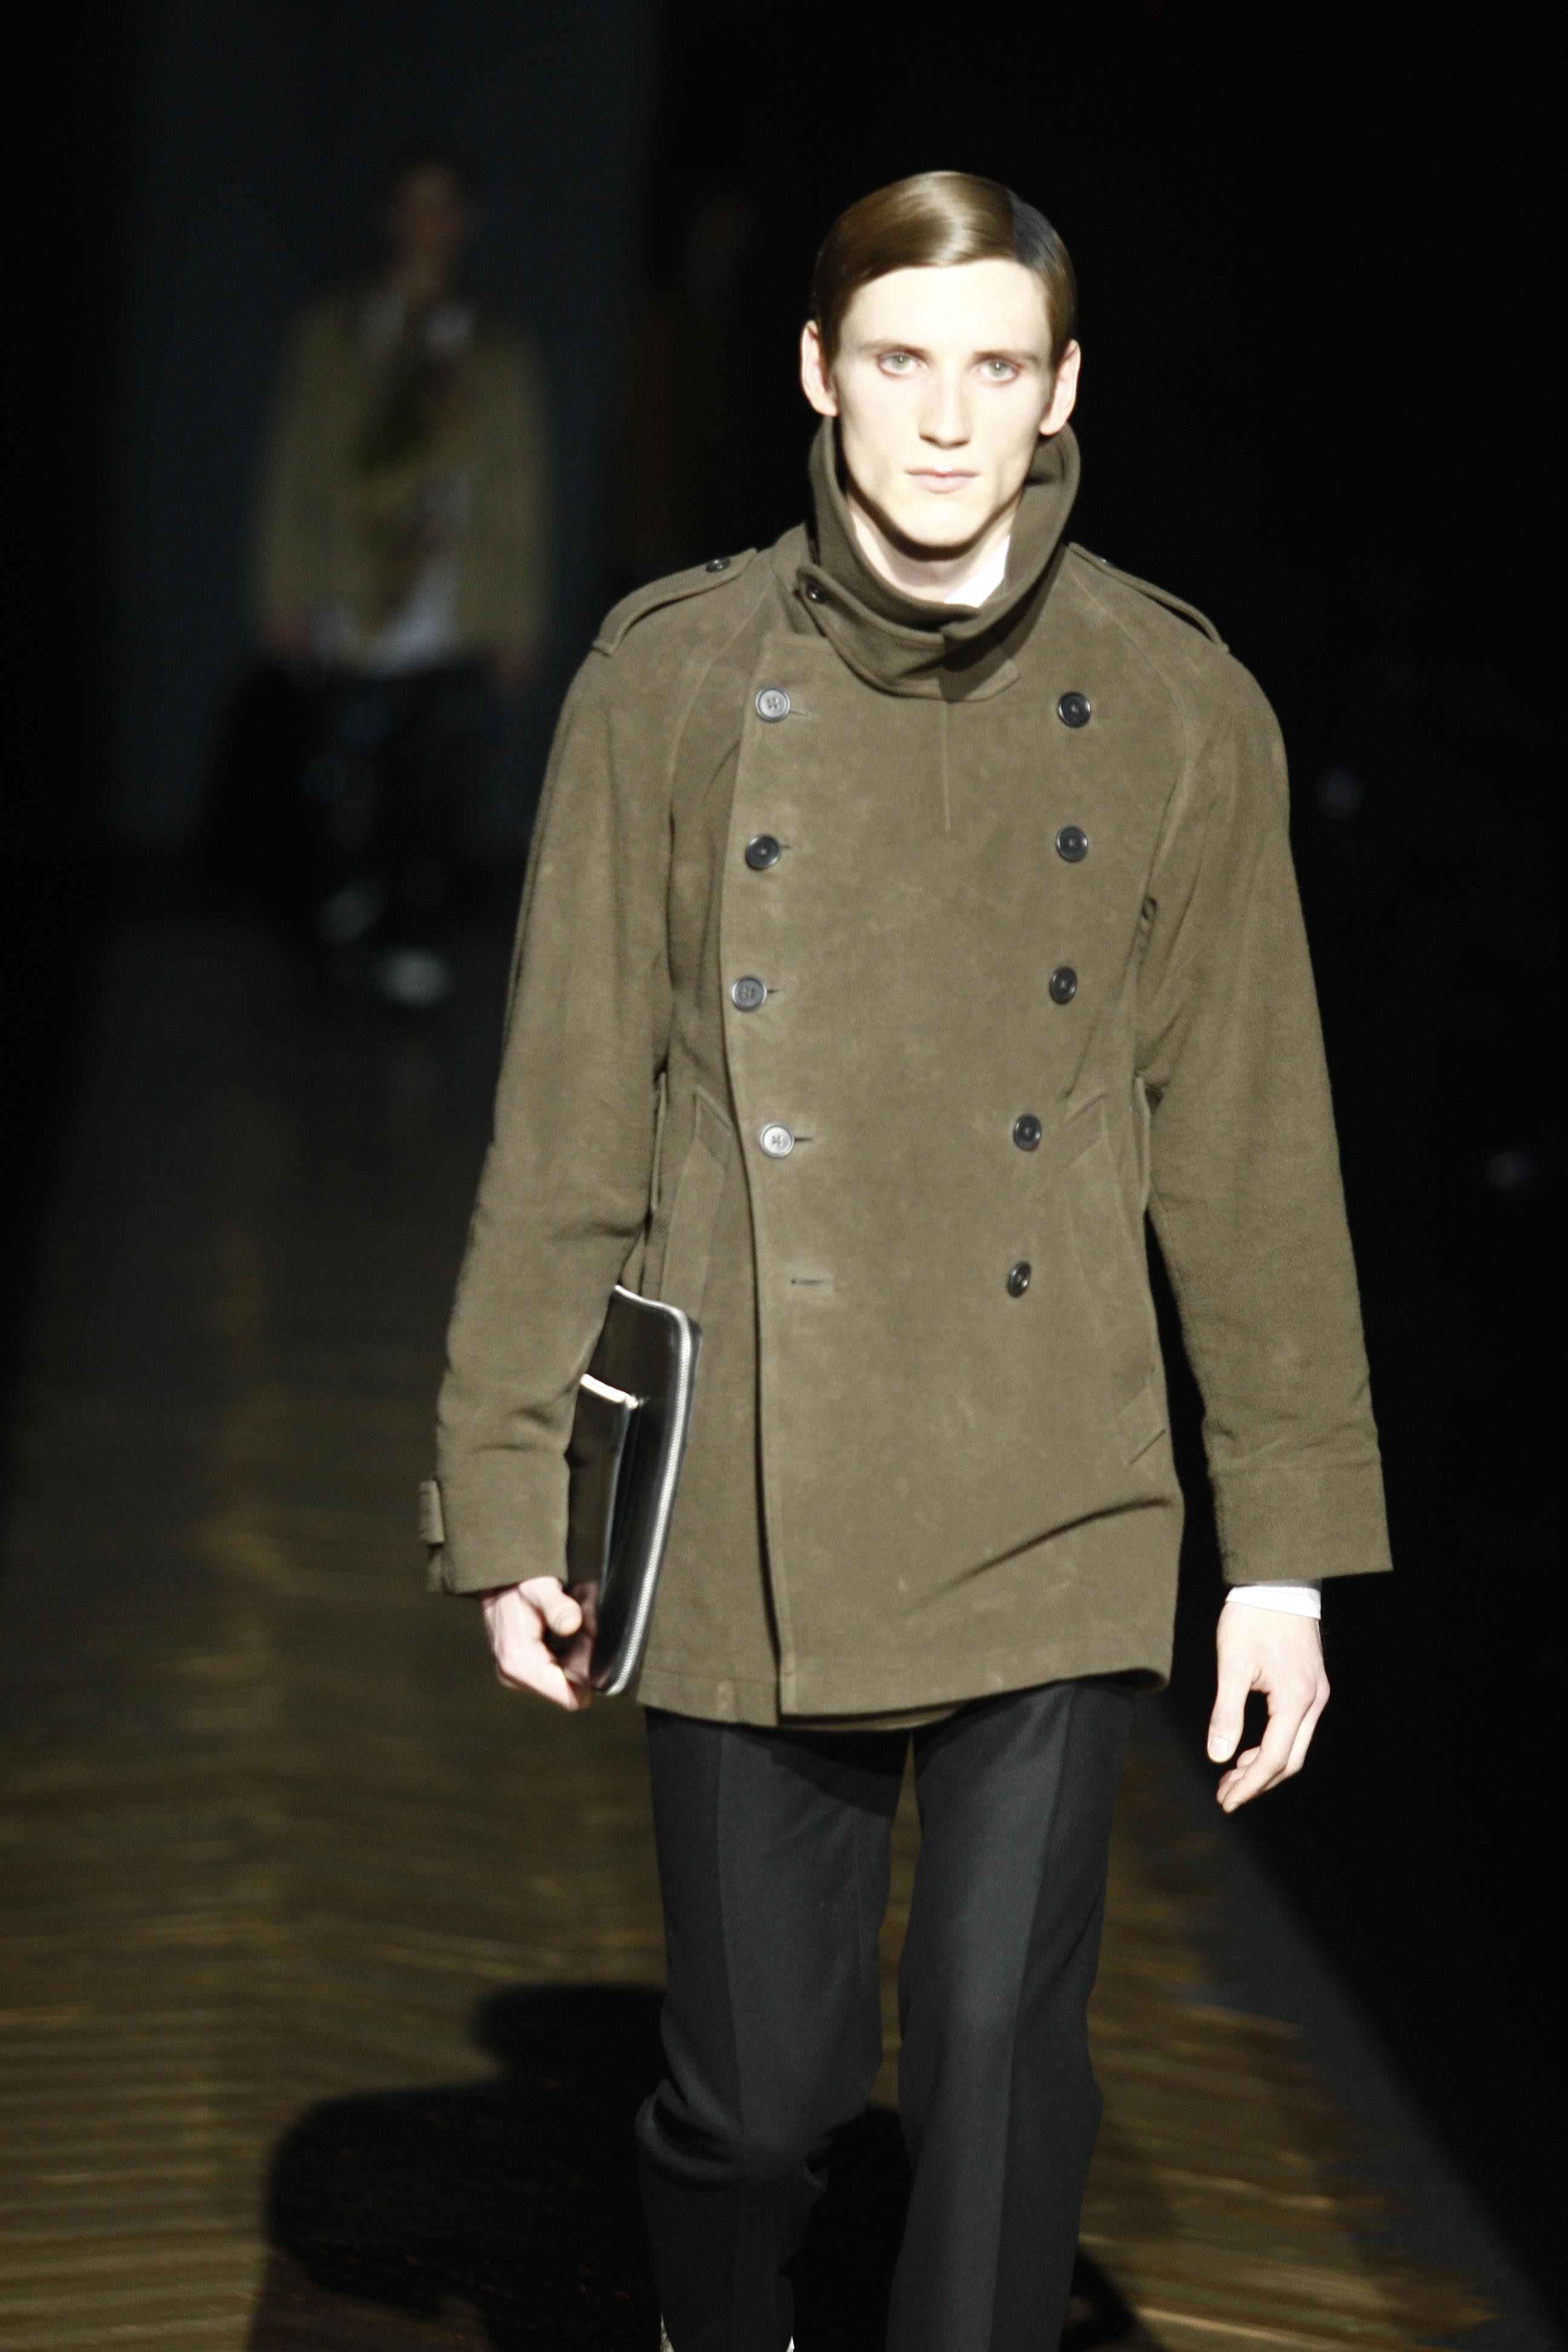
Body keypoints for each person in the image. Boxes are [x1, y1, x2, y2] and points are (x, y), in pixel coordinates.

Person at [423, 172, 1391, 2351]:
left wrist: (1287, 1555)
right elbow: (564, 1117)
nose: (946, 421)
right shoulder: (671, 680)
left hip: (1057, 1472)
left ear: (1062, 390)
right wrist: (502, 1487)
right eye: (898, 360)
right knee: (756, 2110)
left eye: (993, 367)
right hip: (744, 1468)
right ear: (817, 372)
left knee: (993, 2064)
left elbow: (1251, 1149)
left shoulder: (1176, 703)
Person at [254, 147, 550, 1008]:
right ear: (390, 216)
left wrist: (517, 616)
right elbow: (295, 465)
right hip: (352, 583)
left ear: (465, 220)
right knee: (344, 772)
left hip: (450, 590)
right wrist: (284, 589)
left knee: (437, 776)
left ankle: (415, 940)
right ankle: (344, 934)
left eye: (443, 205)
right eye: (412, 204)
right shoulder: (336, 331)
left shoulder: (494, 347)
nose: (427, 224)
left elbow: (521, 489)